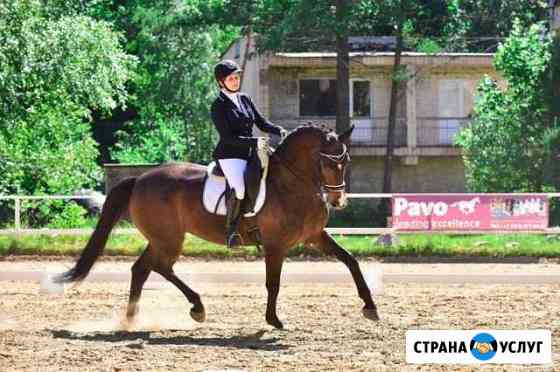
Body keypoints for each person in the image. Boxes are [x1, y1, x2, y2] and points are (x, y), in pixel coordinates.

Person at [211, 59, 287, 248]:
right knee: (240, 188)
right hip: (229, 155)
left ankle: (258, 223)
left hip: (250, 151)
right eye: (231, 79)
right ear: (221, 82)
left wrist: (279, 130)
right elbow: (227, 137)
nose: (235, 81)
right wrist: (255, 141)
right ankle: (232, 230)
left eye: (236, 77)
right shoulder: (218, 105)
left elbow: (261, 123)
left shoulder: (245, 99)